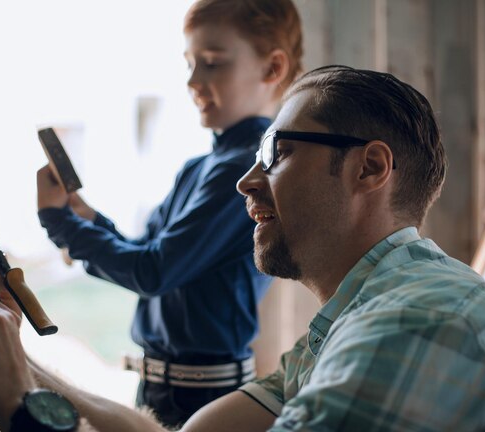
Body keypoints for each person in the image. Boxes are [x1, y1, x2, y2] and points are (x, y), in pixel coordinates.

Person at [0, 65, 485, 431]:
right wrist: (14, 355)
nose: (245, 180)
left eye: (278, 154)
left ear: (369, 168)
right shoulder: (351, 321)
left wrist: (20, 409)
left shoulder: (414, 325)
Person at [35, 0, 303, 427]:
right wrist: (87, 221)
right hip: (164, 386)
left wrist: (60, 222)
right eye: (190, 63)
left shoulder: (244, 171)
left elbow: (154, 271)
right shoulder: (199, 168)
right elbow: (146, 250)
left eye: (212, 63)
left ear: (272, 69)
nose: (193, 80)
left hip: (204, 395)